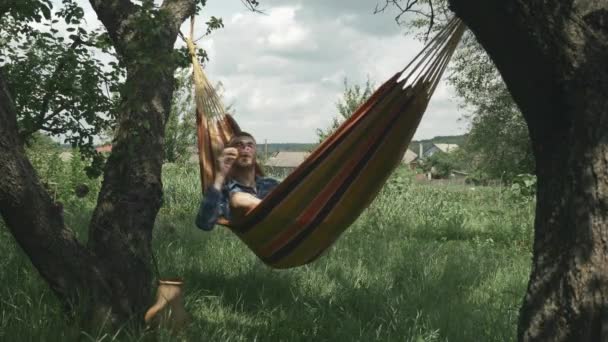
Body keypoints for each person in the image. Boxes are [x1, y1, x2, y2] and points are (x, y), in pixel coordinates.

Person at [195, 132, 279, 231]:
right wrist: (220, 175)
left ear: (255, 153)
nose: (245, 148)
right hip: (262, 236)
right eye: (239, 145)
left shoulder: (271, 184)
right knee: (238, 199)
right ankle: (278, 214)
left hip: (288, 231)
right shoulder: (224, 194)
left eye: (250, 145)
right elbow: (204, 223)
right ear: (230, 153)